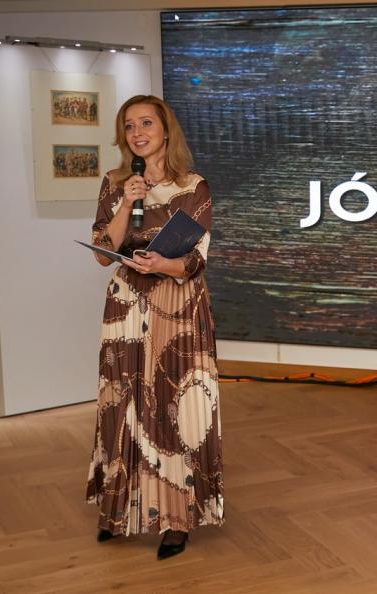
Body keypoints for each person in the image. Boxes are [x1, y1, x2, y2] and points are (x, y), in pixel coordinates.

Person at [85, 95, 224, 560]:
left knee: (172, 406)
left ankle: (176, 519)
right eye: (129, 126)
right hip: (127, 305)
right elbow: (103, 251)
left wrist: (164, 264)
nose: (138, 132)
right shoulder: (116, 183)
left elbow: (196, 259)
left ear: (166, 130)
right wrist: (127, 201)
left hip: (178, 305)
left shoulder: (193, 186)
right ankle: (118, 509)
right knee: (123, 402)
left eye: (146, 123)